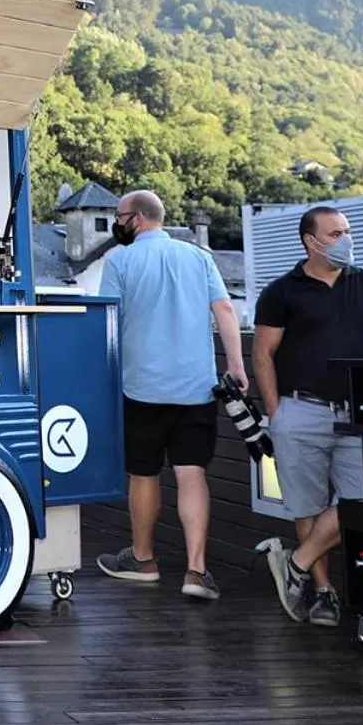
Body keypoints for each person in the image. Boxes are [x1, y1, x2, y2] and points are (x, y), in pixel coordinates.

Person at [255, 205, 363, 627]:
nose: (345, 240)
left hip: (354, 415)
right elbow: (262, 355)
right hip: (299, 411)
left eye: (347, 231)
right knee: (307, 508)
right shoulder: (282, 291)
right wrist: (277, 414)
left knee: (360, 501)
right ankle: (323, 594)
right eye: (335, 234)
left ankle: (294, 564)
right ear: (310, 241)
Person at [96, 189, 245, 600]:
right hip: (196, 388)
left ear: (137, 218)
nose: (117, 222)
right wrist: (236, 365)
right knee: (191, 472)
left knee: (143, 473)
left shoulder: (120, 261)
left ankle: (143, 560)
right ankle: (196, 571)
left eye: (119, 215)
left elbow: (107, 323)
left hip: (141, 386)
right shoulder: (198, 257)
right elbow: (226, 310)